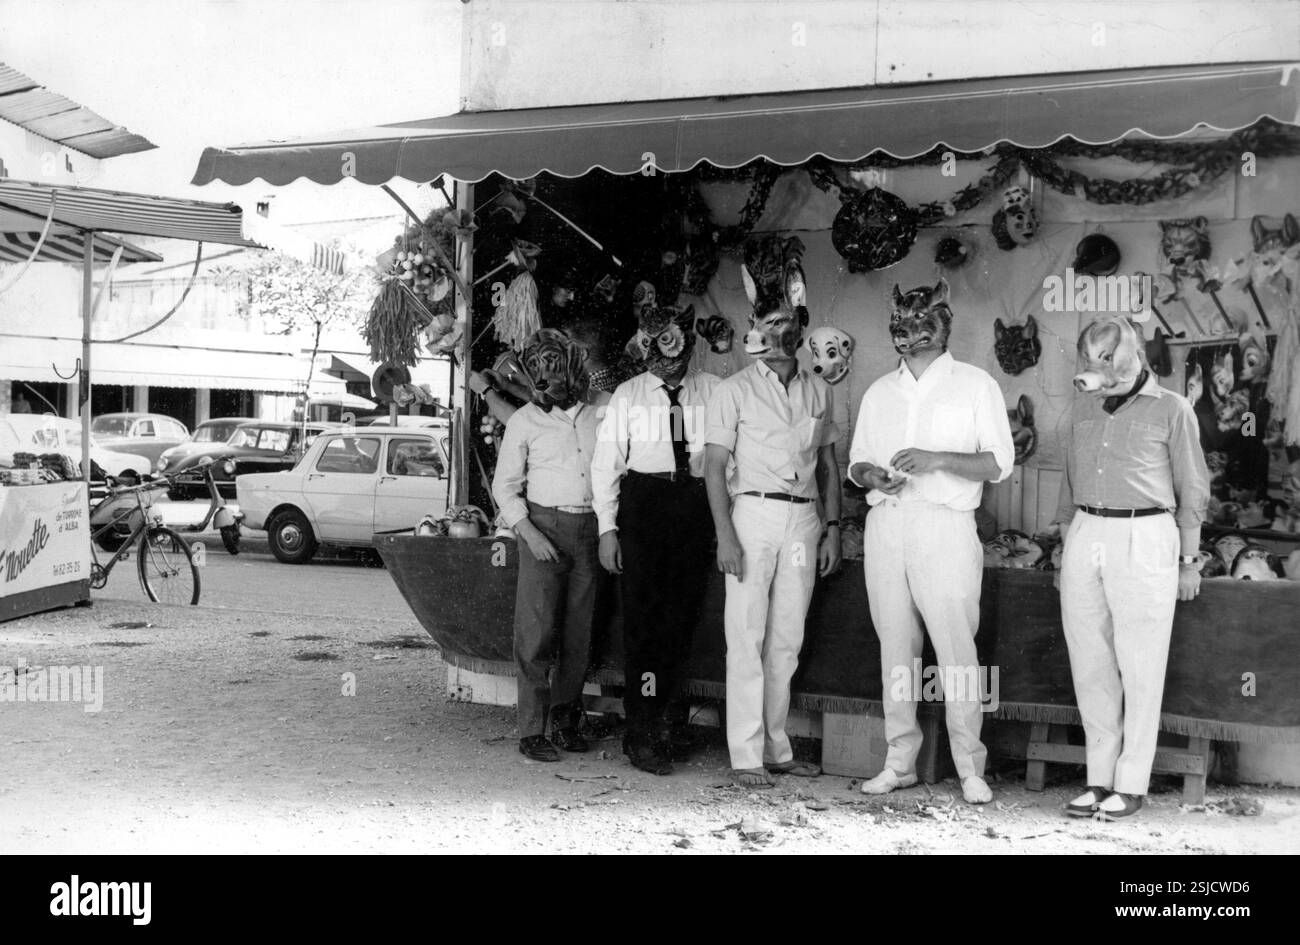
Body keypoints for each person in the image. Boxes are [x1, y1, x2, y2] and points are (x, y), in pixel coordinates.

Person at [848, 280, 1014, 805]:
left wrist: (938, 458)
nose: (913, 329)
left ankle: (970, 767)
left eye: (923, 319)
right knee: (896, 649)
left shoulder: (975, 384)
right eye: (903, 319)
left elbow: (997, 463)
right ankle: (899, 762)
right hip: (888, 523)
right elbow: (855, 463)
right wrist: (873, 475)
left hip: (945, 524)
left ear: (943, 323)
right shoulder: (879, 391)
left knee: (956, 649)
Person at [1053, 315, 1209, 821]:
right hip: (1086, 531)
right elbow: (1068, 482)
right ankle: (1099, 779)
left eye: (1108, 360)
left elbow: (1193, 490)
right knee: (1090, 658)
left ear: (1134, 354)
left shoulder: (1173, 409)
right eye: (1091, 359)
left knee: (1140, 661)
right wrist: (1064, 546)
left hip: (1146, 534)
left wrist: (1189, 561)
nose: (1098, 371)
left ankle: (1132, 782)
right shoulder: (1082, 407)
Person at [704, 236, 841, 788]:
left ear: (802, 327)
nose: (779, 336)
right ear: (756, 329)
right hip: (752, 517)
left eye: (789, 323)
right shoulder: (732, 391)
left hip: (805, 521)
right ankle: (744, 754)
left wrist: (832, 528)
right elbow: (714, 469)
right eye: (769, 323)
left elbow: (828, 466)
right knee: (747, 632)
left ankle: (777, 748)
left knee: (787, 637)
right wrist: (725, 536)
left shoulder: (817, 392)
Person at [592, 302, 719, 775]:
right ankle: (641, 733)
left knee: (683, 620)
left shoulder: (715, 391)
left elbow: (731, 456)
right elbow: (606, 464)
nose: (672, 361)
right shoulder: (628, 395)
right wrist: (609, 529)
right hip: (644, 504)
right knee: (643, 626)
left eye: (679, 349)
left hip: (695, 505)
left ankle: (672, 724)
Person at [492, 328, 602, 763]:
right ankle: (531, 730)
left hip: (590, 527)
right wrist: (530, 534)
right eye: (535, 370)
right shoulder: (524, 421)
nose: (542, 381)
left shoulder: (602, 413)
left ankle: (565, 720)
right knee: (536, 631)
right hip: (542, 527)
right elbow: (505, 487)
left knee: (580, 631)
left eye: (552, 369)